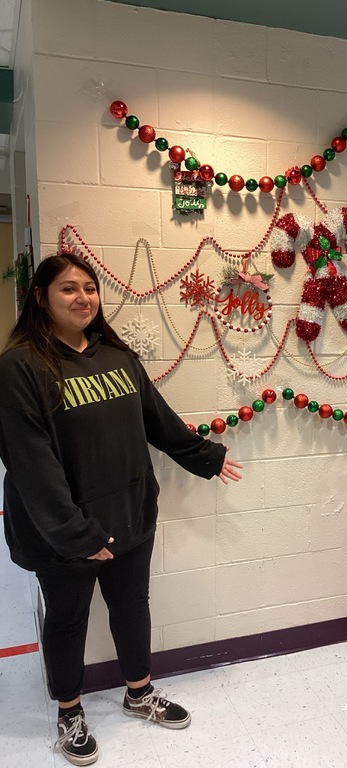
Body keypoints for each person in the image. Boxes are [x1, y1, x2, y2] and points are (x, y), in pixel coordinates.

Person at [0, 252, 243, 766]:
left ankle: (139, 693)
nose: (83, 297)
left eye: (89, 287)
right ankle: (69, 710)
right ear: (41, 297)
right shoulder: (21, 366)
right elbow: (30, 462)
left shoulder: (116, 355)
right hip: (65, 531)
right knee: (68, 619)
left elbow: (157, 418)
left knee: (133, 606)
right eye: (68, 288)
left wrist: (205, 457)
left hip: (130, 514)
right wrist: (75, 533)